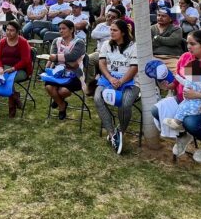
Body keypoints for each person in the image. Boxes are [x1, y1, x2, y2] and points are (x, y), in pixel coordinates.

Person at [152, 30, 201, 163]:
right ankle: (184, 136)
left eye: (192, 44)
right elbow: (181, 79)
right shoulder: (187, 57)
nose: (188, 46)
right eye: (187, 43)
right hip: (185, 101)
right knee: (156, 110)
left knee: (190, 123)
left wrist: (198, 95)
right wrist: (170, 85)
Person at [94, 20, 139, 153]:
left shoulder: (133, 46)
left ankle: (121, 130)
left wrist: (121, 81)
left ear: (123, 32)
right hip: (109, 78)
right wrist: (110, 78)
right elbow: (102, 63)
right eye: (111, 30)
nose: (111, 32)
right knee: (98, 98)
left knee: (125, 103)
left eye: (115, 30)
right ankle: (112, 133)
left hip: (130, 80)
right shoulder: (106, 44)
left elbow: (134, 68)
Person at [43, 20, 87, 120]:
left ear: (71, 30)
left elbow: (73, 56)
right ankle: (62, 105)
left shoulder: (79, 42)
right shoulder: (56, 41)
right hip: (57, 72)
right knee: (49, 87)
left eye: (64, 28)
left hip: (74, 74)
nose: (61, 31)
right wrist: (50, 67)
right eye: (59, 29)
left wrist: (57, 58)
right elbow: (52, 57)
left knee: (63, 91)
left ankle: (57, 99)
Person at [0, 21, 33, 118]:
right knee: (3, 78)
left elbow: (26, 60)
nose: (8, 32)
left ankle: (12, 107)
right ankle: (15, 97)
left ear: (17, 32)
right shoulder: (3, 41)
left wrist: (13, 68)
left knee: (7, 80)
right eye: (7, 30)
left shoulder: (23, 42)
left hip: (21, 69)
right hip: (6, 68)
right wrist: (0, 68)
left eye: (12, 30)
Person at [162, 59, 201, 130]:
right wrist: (177, 76)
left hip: (197, 103)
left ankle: (176, 122)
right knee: (181, 107)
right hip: (188, 101)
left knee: (184, 108)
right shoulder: (190, 79)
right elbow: (184, 82)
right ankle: (180, 124)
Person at [151, 7, 185, 75]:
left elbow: (173, 41)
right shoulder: (151, 28)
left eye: (163, 16)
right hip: (154, 57)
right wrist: (164, 40)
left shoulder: (176, 29)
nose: (160, 18)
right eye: (159, 15)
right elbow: (149, 44)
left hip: (171, 57)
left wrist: (157, 38)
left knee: (180, 73)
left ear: (170, 19)